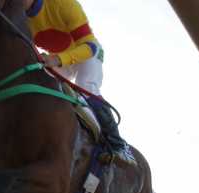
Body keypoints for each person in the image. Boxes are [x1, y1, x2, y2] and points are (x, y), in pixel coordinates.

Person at [25, 0, 129, 160]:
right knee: (44, 88)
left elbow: (90, 46)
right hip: (59, 58)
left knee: (85, 86)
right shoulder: (19, 16)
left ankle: (118, 145)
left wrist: (58, 59)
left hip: (87, 52)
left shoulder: (64, 4)